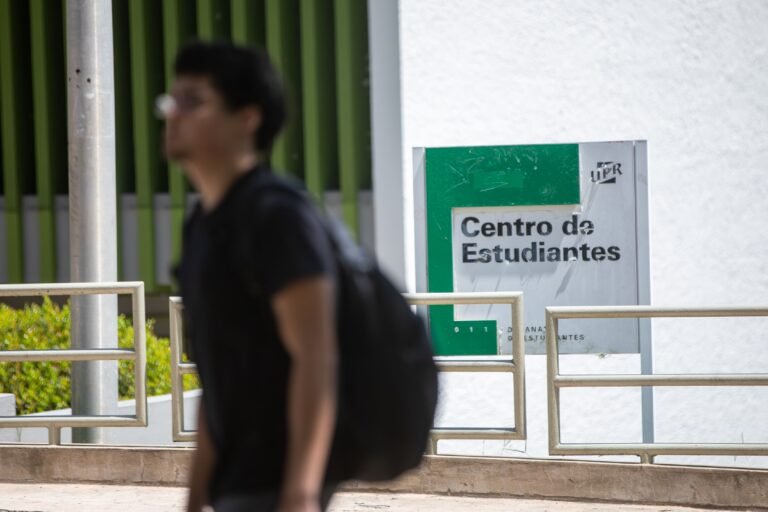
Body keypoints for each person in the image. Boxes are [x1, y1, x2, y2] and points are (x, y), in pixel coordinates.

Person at [163, 41, 339, 512]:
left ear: (247, 118)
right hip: (234, 486)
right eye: (172, 100)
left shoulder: (277, 215)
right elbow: (218, 378)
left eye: (192, 102)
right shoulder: (203, 223)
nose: (173, 115)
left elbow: (318, 359)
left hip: (275, 487)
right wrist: (194, 499)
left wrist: (300, 495)